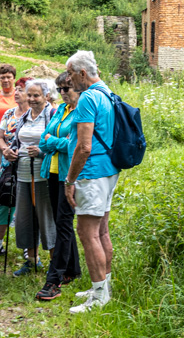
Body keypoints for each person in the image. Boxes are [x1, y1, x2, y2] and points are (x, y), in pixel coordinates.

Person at [63, 50, 119, 313]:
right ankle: (103, 285)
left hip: (91, 172)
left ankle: (98, 297)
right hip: (109, 170)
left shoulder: (87, 98)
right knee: (102, 231)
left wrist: (70, 179)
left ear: (82, 73)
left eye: (71, 74)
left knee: (87, 233)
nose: (69, 79)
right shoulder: (108, 92)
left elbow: (84, 146)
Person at [35, 72, 82, 300]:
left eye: (67, 88)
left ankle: (54, 280)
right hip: (52, 173)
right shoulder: (60, 111)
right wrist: (53, 143)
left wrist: (52, 142)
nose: (63, 93)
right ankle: (73, 270)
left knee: (63, 224)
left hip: (68, 175)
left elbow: (74, 145)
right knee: (61, 222)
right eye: (60, 89)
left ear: (77, 88)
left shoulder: (81, 111)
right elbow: (43, 139)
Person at [10, 80, 56, 277]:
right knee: (25, 218)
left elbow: (58, 145)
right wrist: (10, 151)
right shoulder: (25, 116)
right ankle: (31, 260)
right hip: (22, 174)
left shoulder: (52, 115)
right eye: (30, 95)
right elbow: (16, 141)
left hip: (44, 175)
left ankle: (55, 264)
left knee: (46, 219)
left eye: (36, 95)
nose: (32, 99)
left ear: (46, 96)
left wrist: (40, 152)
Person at [0, 76, 31, 263]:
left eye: (21, 90)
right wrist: (5, 149)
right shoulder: (9, 113)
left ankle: (29, 246)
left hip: (29, 166)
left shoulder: (39, 115)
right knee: (3, 201)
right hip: (8, 166)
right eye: (17, 90)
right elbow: (0, 136)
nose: (17, 93)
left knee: (27, 206)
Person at [0, 64, 17, 130]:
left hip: (13, 137)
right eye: (2, 78)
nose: (6, 80)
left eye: (9, 77)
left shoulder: (19, 95)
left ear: (14, 78)